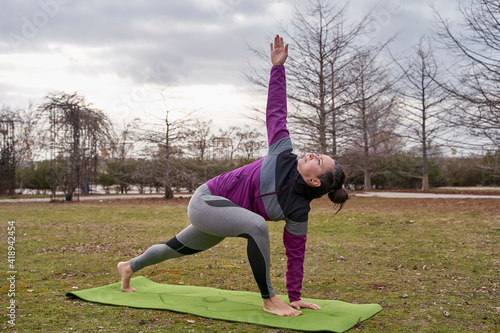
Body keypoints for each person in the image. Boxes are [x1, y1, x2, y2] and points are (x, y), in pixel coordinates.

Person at [117, 35, 349, 317]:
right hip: (207, 200)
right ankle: (268, 299)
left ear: (315, 181)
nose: (313, 154)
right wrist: (278, 67)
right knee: (256, 225)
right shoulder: (282, 152)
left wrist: (296, 296)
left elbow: (296, 254)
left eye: (319, 160)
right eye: (316, 153)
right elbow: (277, 111)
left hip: (224, 216)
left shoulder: (299, 211)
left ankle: (128, 267)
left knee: (174, 249)